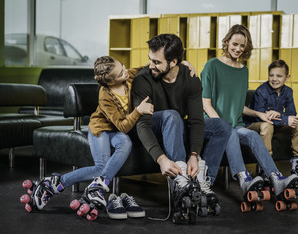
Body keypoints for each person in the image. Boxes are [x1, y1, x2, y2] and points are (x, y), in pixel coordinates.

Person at [20, 56, 152, 221]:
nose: (126, 71)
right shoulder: (105, 96)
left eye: (123, 67)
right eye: (120, 73)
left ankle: (96, 185)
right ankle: (58, 183)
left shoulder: (127, 76)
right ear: (110, 82)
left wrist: (181, 63)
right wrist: (138, 111)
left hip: (116, 133)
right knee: (100, 167)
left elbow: (145, 68)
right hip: (100, 130)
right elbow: (123, 126)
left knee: (126, 142)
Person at [131, 34, 231, 218]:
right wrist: (161, 159)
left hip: (176, 126)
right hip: (155, 126)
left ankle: (202, 182)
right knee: (172, 115)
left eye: (156, 62)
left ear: (174, 61)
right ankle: (181, 182)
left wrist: (194, 154)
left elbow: (196, 120)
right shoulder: (143, 79)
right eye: (150, 60)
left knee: (222, 126)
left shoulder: (190, 78)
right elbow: (142, 125)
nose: (151, 65)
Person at [201, 24, 298, 201]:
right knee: (229, 132)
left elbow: (239, 106)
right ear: (227, 41)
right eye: (235, 44)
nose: (238, 49)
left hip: (235, 125)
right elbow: (205, 104)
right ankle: (243, 179)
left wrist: (259, 114)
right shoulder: (212, 66)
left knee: (253, 136)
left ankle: (276, 179)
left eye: (242, 46)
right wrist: (223, 127)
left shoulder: (243, 70)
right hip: (213, 125)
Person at [245, 59, 298, 185]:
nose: (274, 79)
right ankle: (265, 166)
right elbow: (260, 118)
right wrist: (284, 118)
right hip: (255, 125)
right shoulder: (261, 91)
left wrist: (279, 114)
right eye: (271, 75)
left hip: (274, 125)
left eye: (279, 76)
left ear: (287, 77)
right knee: (267, 125)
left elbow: (292, 115)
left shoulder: (288, 91)